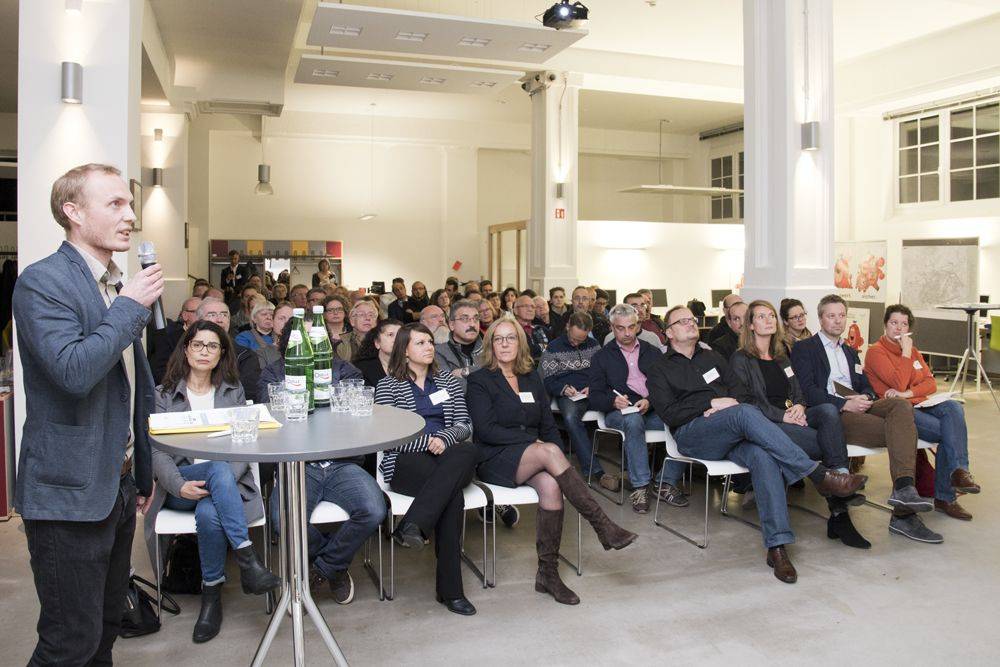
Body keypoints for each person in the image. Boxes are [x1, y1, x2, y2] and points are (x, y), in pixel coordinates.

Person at [13, 163, 163, 664]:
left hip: (115, 484)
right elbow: (73, 373)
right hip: (68, 492)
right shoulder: (42, 283)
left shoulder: (112, 284)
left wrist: (139, 471)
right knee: (69, 640)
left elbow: (128, 389)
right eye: (115, 204)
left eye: (129, 203)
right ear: (73, 212)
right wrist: (131, 307)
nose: (131, 215)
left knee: (104, 629)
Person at [648, 306, 868, 583]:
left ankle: (776, 547)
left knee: (763, 455)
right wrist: (710, 402)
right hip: (694, 435)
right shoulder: (659, 367)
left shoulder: (713, 358)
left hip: (733, 430)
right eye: (682, 321)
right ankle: (819, 475)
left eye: (692, 319)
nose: (691, 323)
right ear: (668, 333)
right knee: (744, 412)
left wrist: (727, 406)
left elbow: (740, 393)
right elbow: (669, 412)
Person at [466, 318, 638, 605]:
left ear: (521, 342)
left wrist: (552, 454)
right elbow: (485, 430)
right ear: (491, 344)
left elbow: (547, 426)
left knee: (551, 486)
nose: (505, 344)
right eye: (499, 339)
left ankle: (548, 574)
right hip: (494, 457)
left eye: (511, 338)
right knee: (547, 452)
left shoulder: (531, 377)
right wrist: (539, 447)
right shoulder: (480, 380)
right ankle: (603, 526)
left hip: (534, 454)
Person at [147, 322, 280, 642]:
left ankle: (211, 598)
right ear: (186, 349)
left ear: (222, 354)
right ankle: (248, 561)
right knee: (215, 472)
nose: (204, 351)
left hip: (226, 485)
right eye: (198, 345)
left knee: (211, 504)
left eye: (212, 346)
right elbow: (156, 451)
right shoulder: (163, 393)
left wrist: (224, 480)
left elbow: (243, 443)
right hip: (182, 485)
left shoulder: (232, 391)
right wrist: (178, 484)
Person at [791, 294, 940, 544]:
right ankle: (904, 516)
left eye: (841, 315)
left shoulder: (850, 351)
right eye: (831, 315)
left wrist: (866, 396)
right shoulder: (805, 348)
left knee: (900, 407)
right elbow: (808, 390)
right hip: (835, 413)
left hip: (861, 404)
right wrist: (845, 403)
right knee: (901, 432)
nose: (838, 321)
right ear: (820, 319)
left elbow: (865, 383)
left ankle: (904, 488)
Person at [259, 325, 386, 605]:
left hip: (342, 462)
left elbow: (358, 415)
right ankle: (334, 566)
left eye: (316, 339)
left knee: (375, 509)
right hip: (299, 465)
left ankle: (323, 569)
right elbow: (269, 419)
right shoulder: (272, 374)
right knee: (282, 520)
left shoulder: (347, 372)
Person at [730, 300, 870, 549]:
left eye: (771, 315)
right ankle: (839, 505)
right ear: (750, 325)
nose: (769, 320)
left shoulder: (782, 357)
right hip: (766, 423)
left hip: (795, 417)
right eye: (761, 316)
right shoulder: (741, 359)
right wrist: (782, 415)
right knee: (826, 441)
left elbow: (798, 390)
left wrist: (800, 407)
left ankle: (841, 476)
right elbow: (745, 402)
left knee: (828, 410)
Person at [375, 324, 480, 616]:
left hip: (448, 457)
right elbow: (389, 432)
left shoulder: (448, 381)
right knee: (452, 497)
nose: (429, 346)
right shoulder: (388, 385)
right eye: (420, 342)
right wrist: (426, 442)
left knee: (469, 449)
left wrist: (444, 440)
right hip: (407, 462)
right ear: (404, 350)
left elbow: (464, 425)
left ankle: (413, 524)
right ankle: (451, 592)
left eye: (431, 341)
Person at [863, 304, 979, 520]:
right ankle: (947, 495)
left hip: (915, 403)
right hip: (898, 412)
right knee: (948, 433)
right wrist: (906, 354)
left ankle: (958, 472)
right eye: (894, 323)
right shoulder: (876, 352)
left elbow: (930, 383)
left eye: (904, 323)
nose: (899, 328)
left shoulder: (914, 351)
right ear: (885, 325)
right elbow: (898, 380)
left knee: (953, 407)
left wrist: (907, 394)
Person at [589, 304, 689, 513]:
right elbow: (595, 396)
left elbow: (669, 387)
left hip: (652, 409)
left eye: (631, 327)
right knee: (633, 420)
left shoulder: (652, 352)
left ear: (638, 325)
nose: (626, 333)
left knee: (686, 421)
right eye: (620, 328)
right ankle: (640, 486)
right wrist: (612, 401)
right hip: (618, 412)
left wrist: (650, 399)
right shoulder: (602, 357)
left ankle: (665, 482)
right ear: (611, 327)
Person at [540, 311, 619, 492]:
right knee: (570, 417)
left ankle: (632, 472)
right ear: (568, 326)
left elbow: (603, 372)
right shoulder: (553, 348)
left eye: (581, 340)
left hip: (593, 391)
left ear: (589, 333)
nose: (576, 343)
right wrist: (564, 389)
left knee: (620, 406)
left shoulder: (593, 345)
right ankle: (596, 471)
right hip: (569, 394)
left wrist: (593, 386)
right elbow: (548, 380)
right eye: (574, 339)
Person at [196, 297, 263, 403]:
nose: (219, 319)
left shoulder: (245, 355)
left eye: (224, 314)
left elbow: (249, 395)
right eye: (212, 315)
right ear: (199, 321)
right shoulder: (187, 353)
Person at [150, 295, 202, 384]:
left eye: (205, 312)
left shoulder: (212, 337)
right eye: (198, 312)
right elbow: (160, 372)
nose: (202, 316)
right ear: (185, 316)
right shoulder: (168, 338)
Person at [435, 299, 484, 389]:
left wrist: (465, 371)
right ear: (451, 325)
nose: (472, 324)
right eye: (465, 319)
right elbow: (450, 388)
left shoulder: (491, 348)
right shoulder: (439, 352)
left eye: (476, 318)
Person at [354, 319, 403, 388]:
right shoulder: (361, 369)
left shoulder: (412, 366)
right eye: (390, 335)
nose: (396, 339)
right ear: (377, 343)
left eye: (400, 335)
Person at [255, 302, 293, 370]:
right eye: (281, 318)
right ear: (272, 322)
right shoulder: (262, 353)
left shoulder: (306, 350)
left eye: (291, 319)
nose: (286, 322)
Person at [513, 294, 549, 361]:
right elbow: (526, 351)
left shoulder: (542, 329)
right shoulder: (510, 330)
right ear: (515, 310)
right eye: (525, 306)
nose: (530, 309)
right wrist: (544, 347)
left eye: (533, 307)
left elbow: (555, 347)